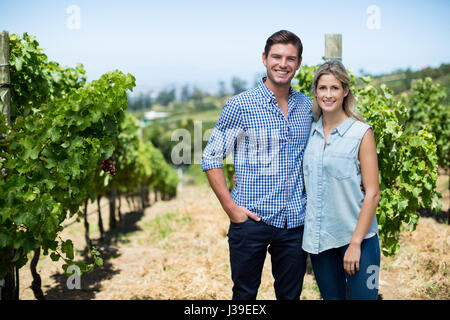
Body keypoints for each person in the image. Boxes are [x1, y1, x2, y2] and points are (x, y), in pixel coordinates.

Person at [201, 30, 314, 300]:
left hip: (295, 222)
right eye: (276, 56)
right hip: (250, 219)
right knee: (244, 295)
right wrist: (231, 209)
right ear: (264, 59)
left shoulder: (308, 106)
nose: (282, 64)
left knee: (290, 296)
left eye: (290, 58)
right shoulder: (240, 105)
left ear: (298, 63)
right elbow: (211, 156)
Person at [301, 60, 381, 300]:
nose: (328, 94)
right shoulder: (310, 132)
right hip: (320, 242)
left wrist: (355, 244)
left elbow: (373, 193)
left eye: (334, 88)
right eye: (323, 88)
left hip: (359, 240)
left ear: (345, 91)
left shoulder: (361, 133)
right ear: (315, 91)